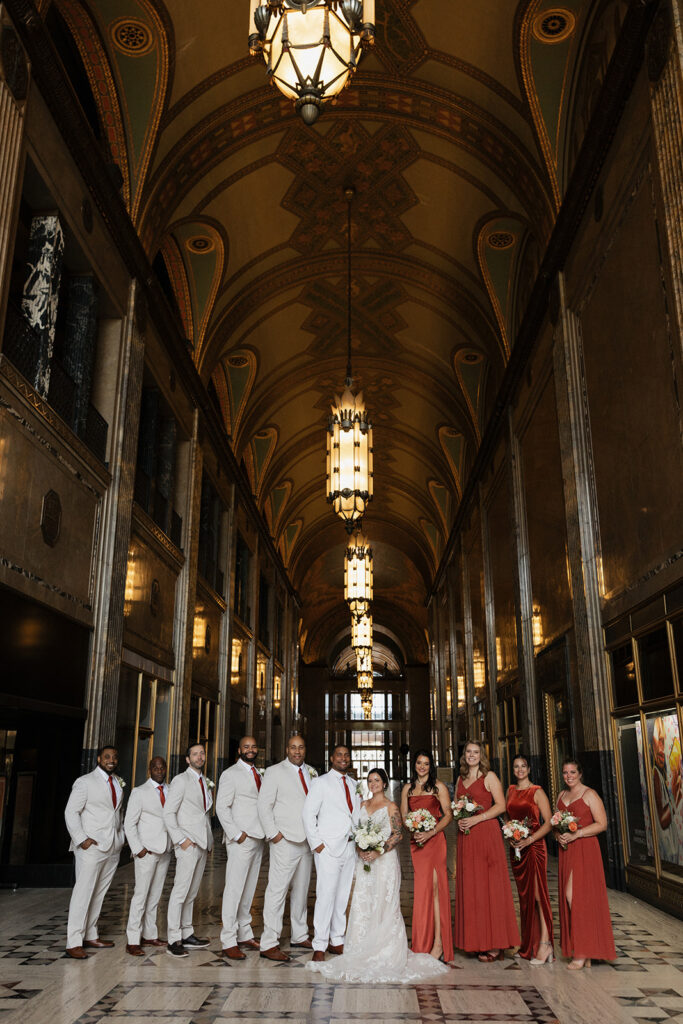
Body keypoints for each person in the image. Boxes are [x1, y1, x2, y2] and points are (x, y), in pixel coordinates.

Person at [308, 768, 449, 982]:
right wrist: (360, 848)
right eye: (369, 780)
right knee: (365, 902)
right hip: (365, 863)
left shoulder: (391, 806)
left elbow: (398, 834)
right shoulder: (362, 805)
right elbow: (354, 831)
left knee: (385, 902)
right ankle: (362, 945)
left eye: (377, 780)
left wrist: (378, 850)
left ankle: (386, 948)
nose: (373, 783)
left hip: (384, 862)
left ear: (384, 783)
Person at [453, 739, 520, 961]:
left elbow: (501, 806)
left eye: (476, 752)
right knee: (472, 888)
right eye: (468, 752)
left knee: (489, 887)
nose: (472, 755)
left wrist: (477, 819)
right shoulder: (460, 779)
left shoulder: (489, 777)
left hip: (487, 835)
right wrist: (461, 819)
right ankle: (475, 940)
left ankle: (495, 943)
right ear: (464, 755)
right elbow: (456, 807)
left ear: (481, 755)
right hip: (467, 838)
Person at [64, 744, 125, 959]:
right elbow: (71, 812)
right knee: (83, 892)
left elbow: (116, 813)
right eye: (107, 757)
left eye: (114, 757)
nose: (111, 760)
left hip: (112, 847)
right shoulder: (85, 782)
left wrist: (121, 837)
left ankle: (90, 934)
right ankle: (73, 941)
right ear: (99, 759)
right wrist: (81, 840)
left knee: (99, 893)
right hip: (91, 847)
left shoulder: (117, 782)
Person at [257, 735, 315, 961]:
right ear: (286, 749)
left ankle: (299, 934)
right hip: (284, 841)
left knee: (301, 891)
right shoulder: (274, 772)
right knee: (277, 891)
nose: (297, 751)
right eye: (293, 747)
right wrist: (274, 835)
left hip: (306, 842)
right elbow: (264, 806)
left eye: (301, 747)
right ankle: (269, 941)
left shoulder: (312, 773)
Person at [556, 758, 616, 969]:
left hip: (585, 850)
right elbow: (558, 824)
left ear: (580, 773)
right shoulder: (561, 795)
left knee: (575, 898)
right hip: (567, 851)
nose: (569, 776)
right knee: (573, 899)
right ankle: (586, 951)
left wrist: (577, 834)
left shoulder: (590, 794)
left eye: (573, 772)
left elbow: (602, 824)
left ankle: (581, 953)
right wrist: (559, 836)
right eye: (565, 772)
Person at [302, 745, 360, 961]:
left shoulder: (355, 785)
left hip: (349, 847)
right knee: (325, 895)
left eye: (346, 755)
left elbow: (355, 815)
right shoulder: (320, 782)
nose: (343, 758)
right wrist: (317, 844)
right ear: (331, 758)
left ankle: (337, 939)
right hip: (327, 848)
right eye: (339, 755)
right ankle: (319, 943)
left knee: (343, 895)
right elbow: (308, 814)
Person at [400, 749, 453, 963]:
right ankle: (423, 941)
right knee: (422, 891)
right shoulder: (407, 789)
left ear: (431, 767)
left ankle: (439, 943)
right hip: (417, 843)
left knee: (435, 890)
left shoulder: (438, 787)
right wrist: (414, 829)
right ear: (414, 765)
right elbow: (404, 815)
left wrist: (430, 831)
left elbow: (448, 814)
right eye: (419, 763)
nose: (422, 767)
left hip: (435, 841)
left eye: (426, 763)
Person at [216, 736, 266, 960]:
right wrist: (237, 834)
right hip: (241, 840)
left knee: (249, 889)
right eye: (246, 746)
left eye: (254, 747)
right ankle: (228, 939)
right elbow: (221, 807)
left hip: (258, 837)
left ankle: (245, 932)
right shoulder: (230, 774)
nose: (251, 750)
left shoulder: (260, 773)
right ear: (239, 749)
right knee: (234, 889)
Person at [163, 742, 213, 958]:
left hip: (202, 843)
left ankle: (187, 932)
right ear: (187, 759)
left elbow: (203, 813)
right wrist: (181, 839)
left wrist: (209, 841)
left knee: (192, 892)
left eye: (202, 753)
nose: (200, 757)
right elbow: (168, 813)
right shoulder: (180, 780)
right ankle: (173, 938)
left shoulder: (204, 781)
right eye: (195, 754)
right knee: (180, 891)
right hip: (187, 843)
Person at [504, 754, 554, 963]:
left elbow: (549, 822)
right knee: (525, 898)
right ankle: (527, 945)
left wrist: (530, 839)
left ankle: (545, 944)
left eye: (523, 766)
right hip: (517, 849)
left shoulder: (537, 791)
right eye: (516, 767)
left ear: (529, 769)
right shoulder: (510, 790)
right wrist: (510, 834)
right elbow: (507, 816)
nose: (520, 770)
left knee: (537, 895)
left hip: (533, 848)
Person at [124, 756, 172, 956]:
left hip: (165, 850)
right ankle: (133, 939)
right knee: (140, 895)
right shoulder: (139, 792)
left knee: (155, 895)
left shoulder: (171, 790)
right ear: (149, 769)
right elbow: (129, 823)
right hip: (147, 851)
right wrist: (138, 848)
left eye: (162, 767)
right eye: (155, 767)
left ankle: (150, 934)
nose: (159, 770)